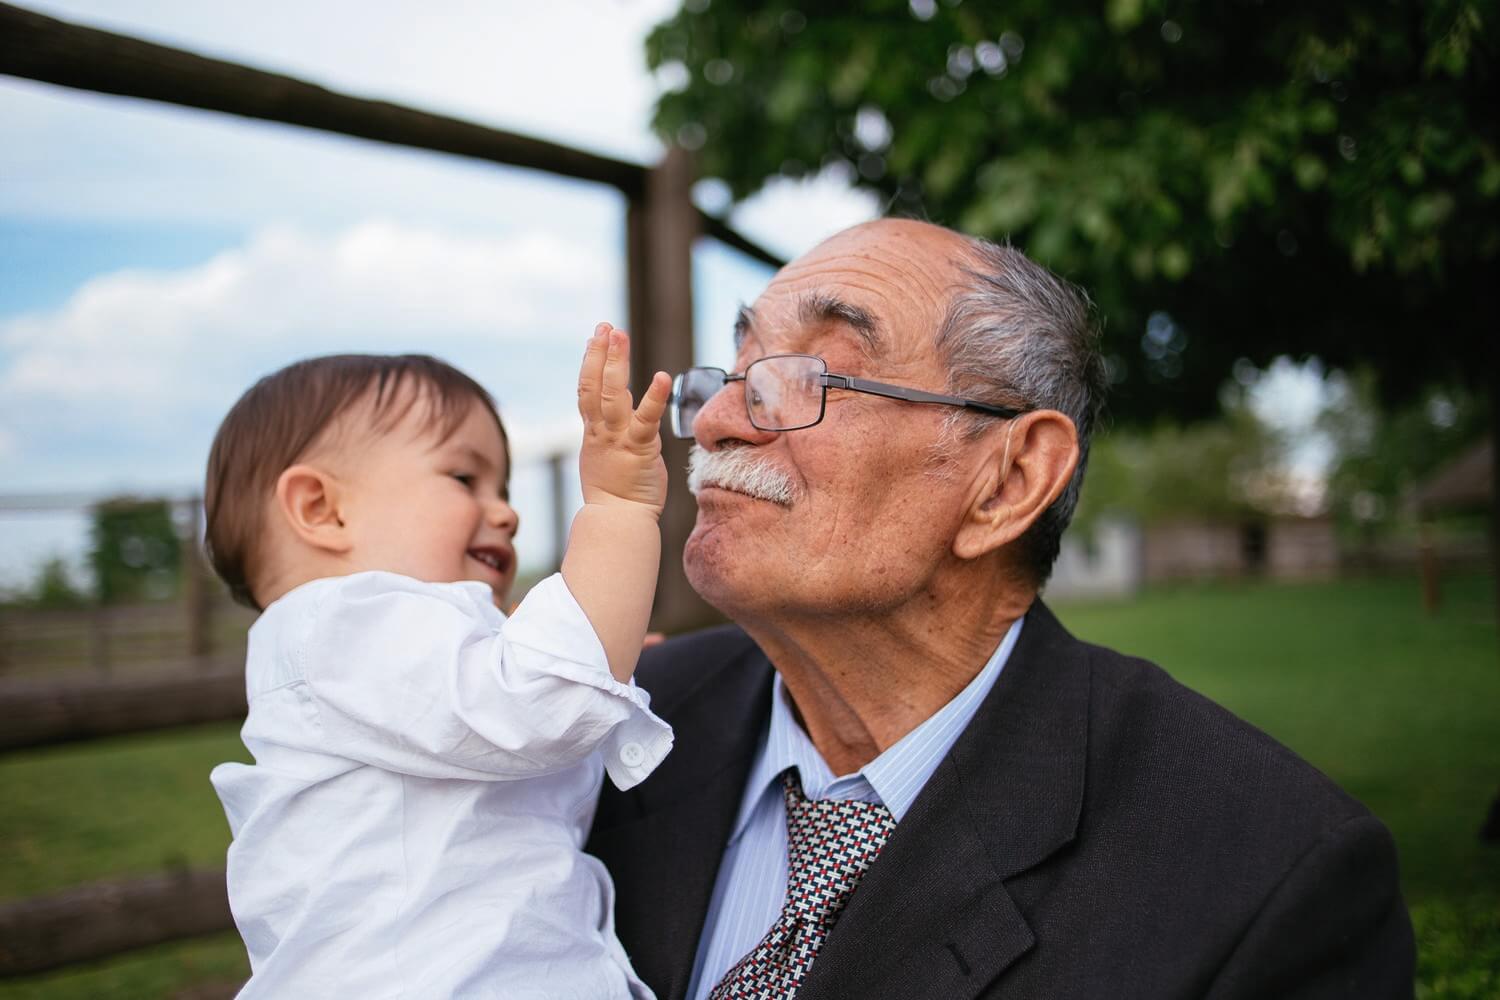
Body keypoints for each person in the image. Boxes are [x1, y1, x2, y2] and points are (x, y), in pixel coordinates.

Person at [586, 220, 1415, 1000]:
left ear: (1009, 483)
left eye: (810, 377)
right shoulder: (606, 723)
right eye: (733, 373)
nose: (720, 422)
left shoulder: (1265, 877)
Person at [208, 325, 673, 998]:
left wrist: (602, 655)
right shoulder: (339, 622)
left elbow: (527, 746)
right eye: (465, 477)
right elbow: (542, 710)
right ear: (321, 509)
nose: (506, 513)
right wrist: (619, 513)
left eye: (503, 485)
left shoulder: (373, 652)